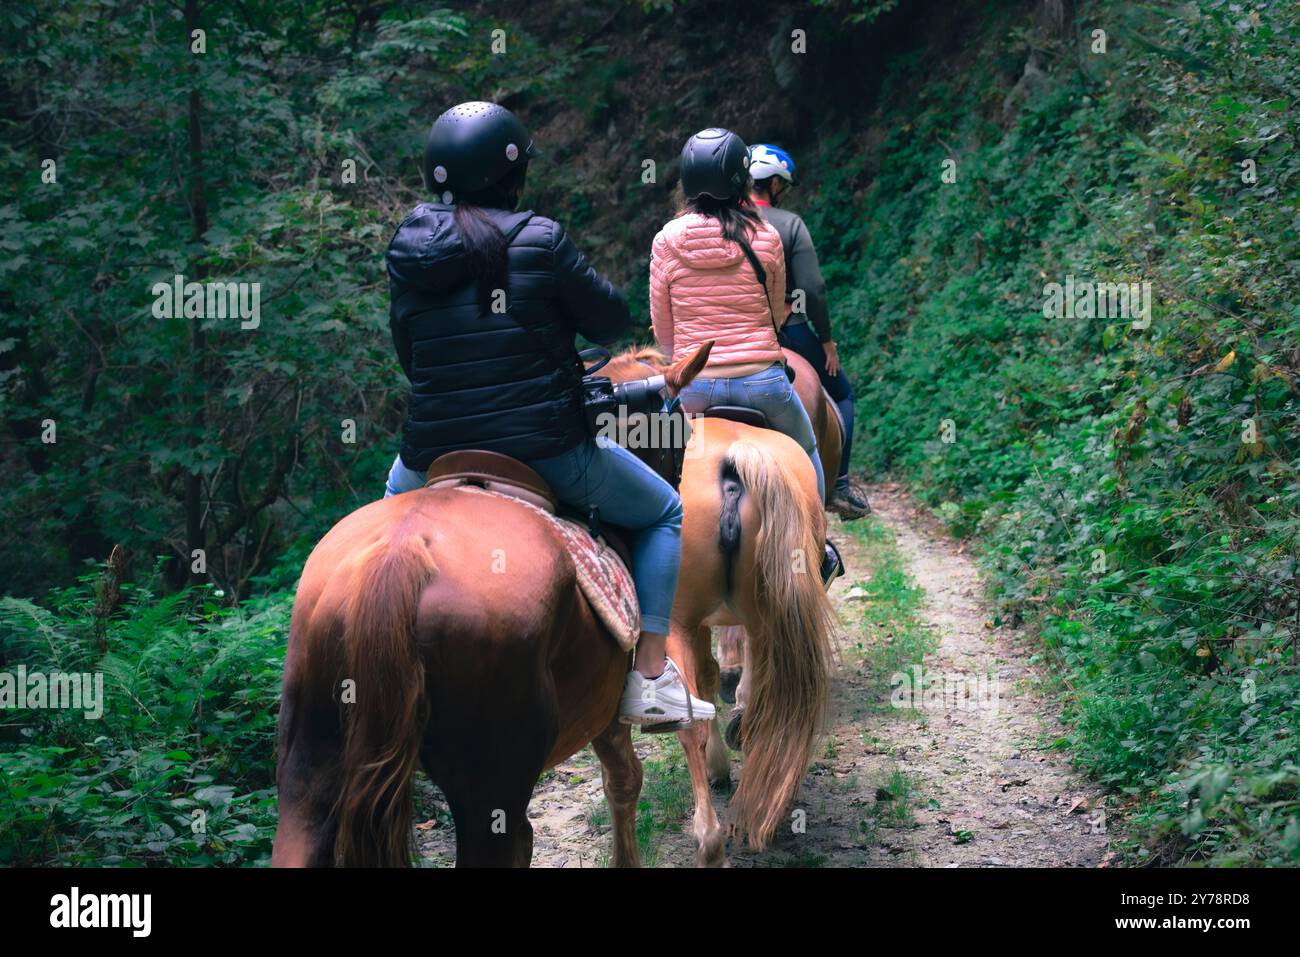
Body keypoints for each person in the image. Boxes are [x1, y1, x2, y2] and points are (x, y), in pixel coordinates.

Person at [384, 101, 714, 728]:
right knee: (664, 512)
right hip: (545, 449)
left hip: (431, 450)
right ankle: (648, 677)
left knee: (383, 528)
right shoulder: (541, 238)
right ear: (512, 174)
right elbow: (611, 320)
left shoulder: (408, 249)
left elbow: (410, 354)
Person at [650, 127, 841, 582]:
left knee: (654, 455)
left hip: (695, 389)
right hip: (764, 383)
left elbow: (664, 330)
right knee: (808, 449)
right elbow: (776, 313)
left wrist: (689, 360)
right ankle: (818, 545)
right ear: (742, 179)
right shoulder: (766, 235)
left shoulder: (666, 241)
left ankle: (650, 545)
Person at [747, 143, 870, 518]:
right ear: (773, 184)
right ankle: (840, 486)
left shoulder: (718, 222)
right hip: (790, 329)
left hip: (730, 333)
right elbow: (812, 289)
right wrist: (827, 340)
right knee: (842, 392)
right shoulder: (788, 224)